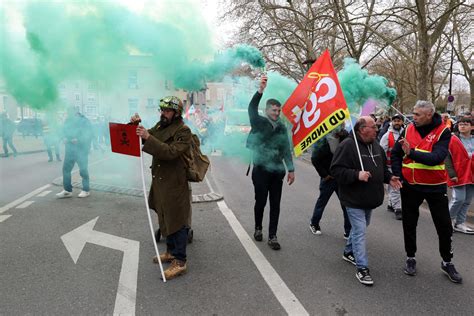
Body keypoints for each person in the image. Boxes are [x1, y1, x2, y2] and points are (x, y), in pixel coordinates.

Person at [391, 100, 463, 284]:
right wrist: (398, 175)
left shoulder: (443, 132)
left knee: (444, 226)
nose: (413, 117)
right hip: (411, 186)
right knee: (409, 223)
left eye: (417, 115)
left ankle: (447, 262)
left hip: (435, 187)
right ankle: (410, 257)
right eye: (413, 113)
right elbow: (396, 154)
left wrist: (412, 152)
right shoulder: (407, 129)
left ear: (429, 115)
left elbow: (436, 158)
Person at [331, 116, 401, 286]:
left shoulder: (376, 145)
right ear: (362, 129)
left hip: (371, 198)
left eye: (376, 126)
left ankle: (348, 251)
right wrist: (356, 175)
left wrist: (389, 178)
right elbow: (336, 170)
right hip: (353, 198)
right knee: (360, 230)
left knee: (360, 228)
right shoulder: (347, 145)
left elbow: (382, 169)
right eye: (373, 126)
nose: (377, 129)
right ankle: (362, 268)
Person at [132, 96, 192, 280]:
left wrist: (148, 137)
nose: (163, 113)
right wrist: (137, 125)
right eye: (162, 110)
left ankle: (180, 261)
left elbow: (171, 152)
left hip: (174, 182)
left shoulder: (183, 131)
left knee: (177, 221)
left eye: (167, 110)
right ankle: (170, 252)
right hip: (160, 180)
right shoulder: (160, 127)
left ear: (176, 113)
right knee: (164, 216)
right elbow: (146, 137)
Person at [247, 74, 295, 250]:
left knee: (276, 203)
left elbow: (285, 149)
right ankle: (258, 228)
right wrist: (260, 90)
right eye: (274, 110)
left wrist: (290, 169)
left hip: (277, 172)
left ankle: (273, 236)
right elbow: (251, 108)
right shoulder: (258, 122)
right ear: (267, 110)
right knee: (261, 202)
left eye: (278, 110)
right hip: (260, 170)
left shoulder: (282, 127)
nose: (276, 113)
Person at [309, 125, 351, 239]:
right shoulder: (322, 139)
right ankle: (314, 223)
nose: (340, 127)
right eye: (338, 125)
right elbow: (315, 159)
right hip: (329, 178)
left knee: (346, 204)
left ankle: (348, 231)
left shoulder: (346, 136)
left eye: (342, 124)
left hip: (341, 177)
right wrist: (324, 175)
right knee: (322, 202)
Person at [56, 107, 93, 199]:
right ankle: (67, 190)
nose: (69, 115)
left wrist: (79, 140)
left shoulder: (84, 121)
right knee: (66, 169)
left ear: (76, 112)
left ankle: (86, 190)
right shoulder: (68, 120)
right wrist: (63, 137)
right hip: (69, 149)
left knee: (83, 170)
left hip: (82, 149)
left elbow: (89, 134)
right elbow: (63, 131)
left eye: (70, 113)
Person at [445, 117, 474, 234]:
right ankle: (448, 221)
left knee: (467, 200)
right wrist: (452, 173)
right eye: (461, 124)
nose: (462, 126)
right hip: (458, 174)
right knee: (458, 199)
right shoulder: (452, 139)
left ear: (472, 127)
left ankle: (460, 223)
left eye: (466, 124)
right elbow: (447, 158)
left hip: (471, 174)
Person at [380, 114, 405, 220]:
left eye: (398, 121)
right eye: (395, 121)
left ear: (402, 122)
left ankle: (391, 203)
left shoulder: (406, 134)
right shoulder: (387, 136)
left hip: (403, 165)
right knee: (396, 187)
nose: (396, 123)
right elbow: (382, 151)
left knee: (394, 187)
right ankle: (398, 209)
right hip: (390, 166)